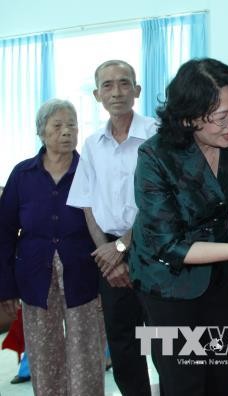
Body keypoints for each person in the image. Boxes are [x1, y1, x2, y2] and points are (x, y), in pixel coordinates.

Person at [128, 57, 228, 396]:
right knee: (183, 379)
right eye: (221, 116)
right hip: (166, 284)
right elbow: (169, 245)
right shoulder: (155, 156)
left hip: (217, 277)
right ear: (189, 118)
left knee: (220, 372)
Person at [0, 99, 105, 395]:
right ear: (41, 131)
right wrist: (6, 288)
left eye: (71, 124)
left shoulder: (90, 170)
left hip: (83, 275)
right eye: (57, 125)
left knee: (86, 351)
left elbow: (106, 223)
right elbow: (5, 233)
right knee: (43, 354)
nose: (66, 131)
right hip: (34, 276)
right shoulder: (23, 175)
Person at [67, 60, 155, 395]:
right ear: (96, 94)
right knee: (123, 345)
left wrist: (121, 249)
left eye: (123, 83)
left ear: (137, 89)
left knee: (163, 341)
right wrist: (108, 253)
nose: (116, 92)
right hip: (110, 253)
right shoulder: (91, 145)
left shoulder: (156, 136)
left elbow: (160, 203)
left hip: (153, 249)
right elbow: (87, 202)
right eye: (107, 85)